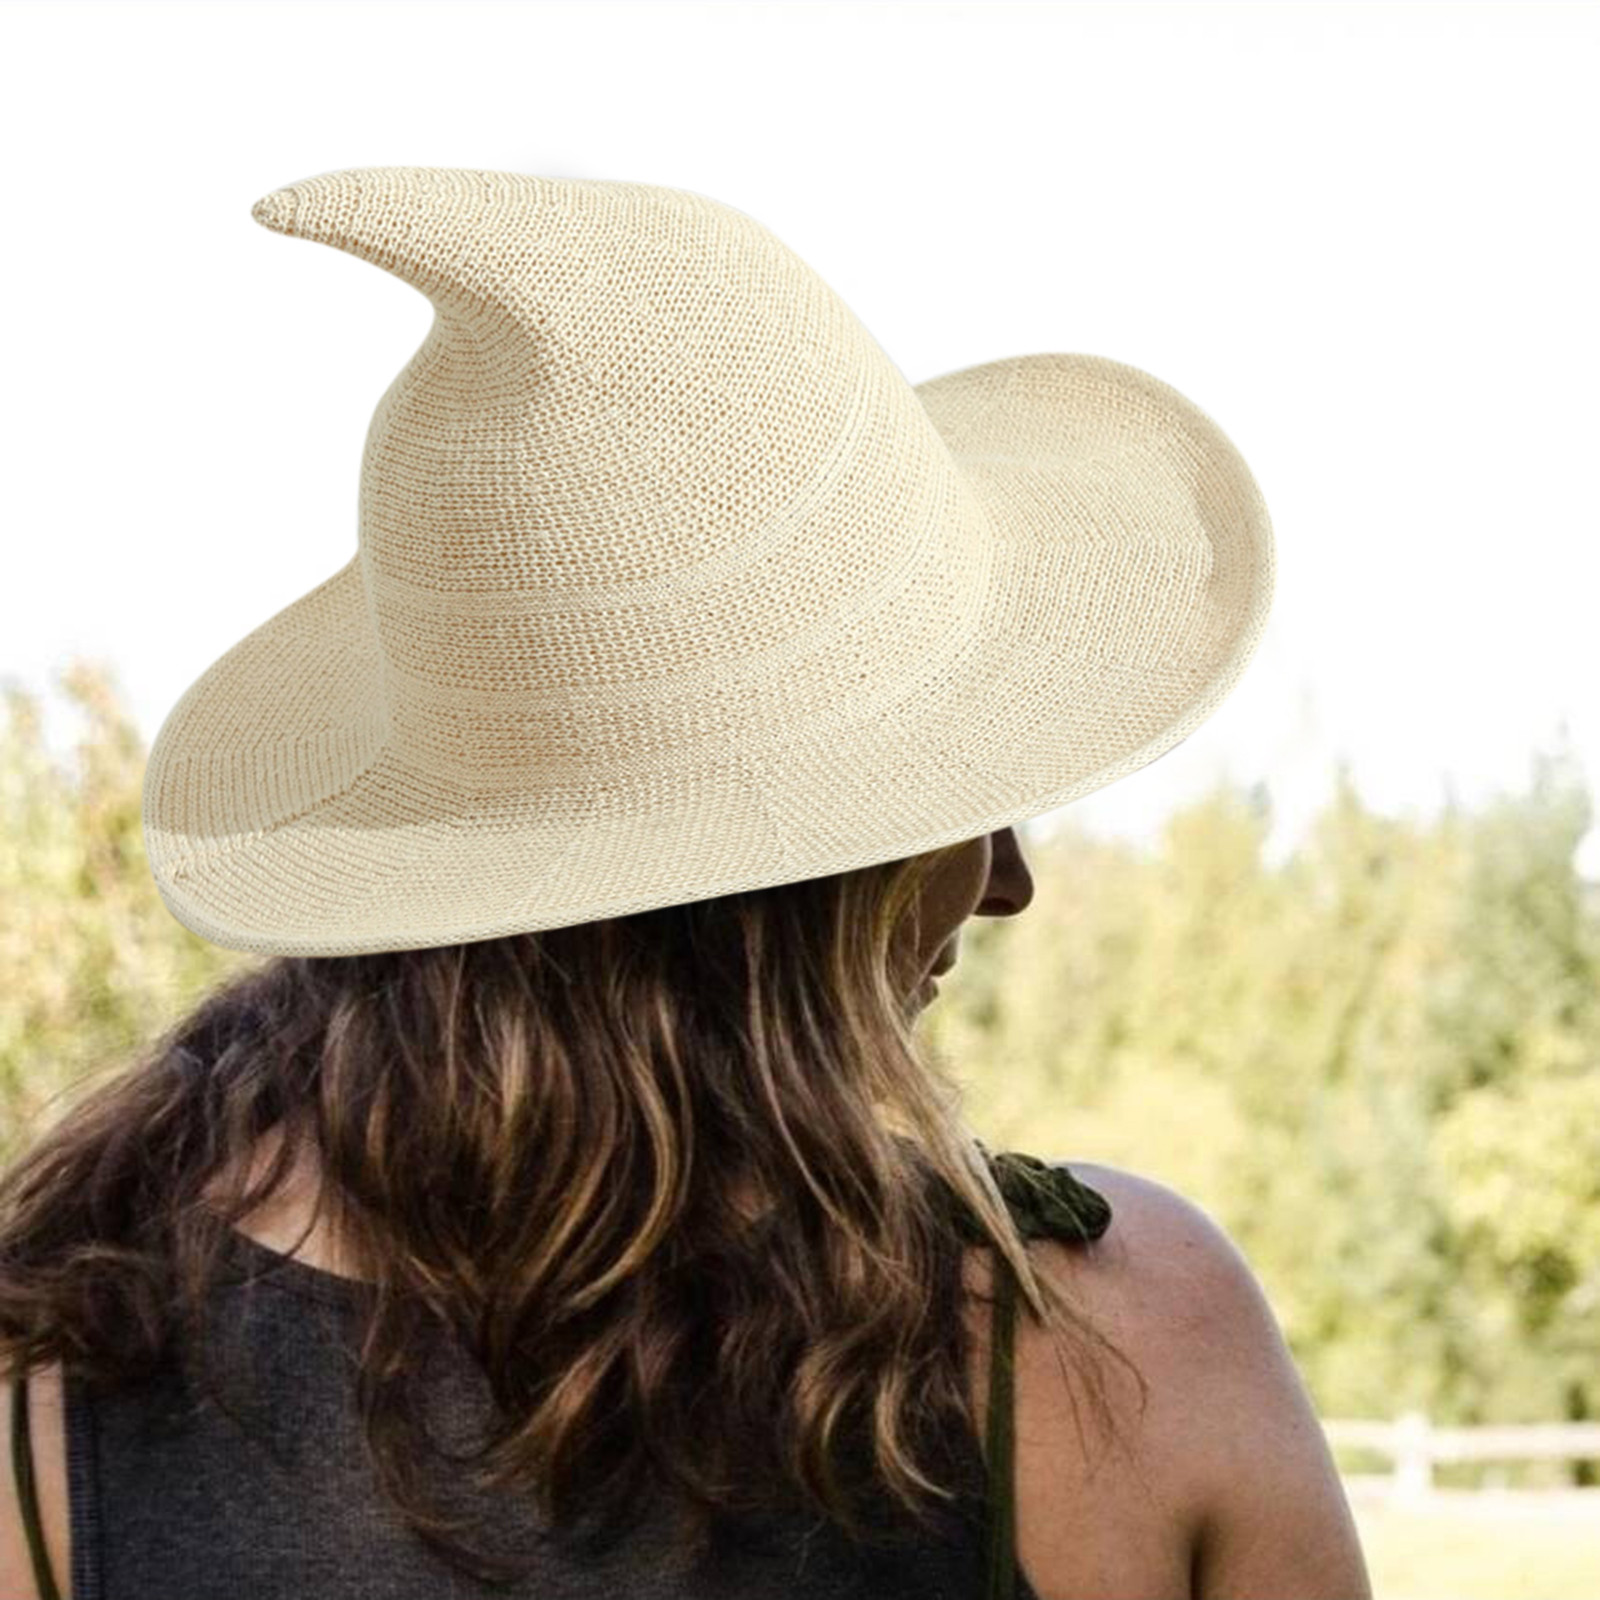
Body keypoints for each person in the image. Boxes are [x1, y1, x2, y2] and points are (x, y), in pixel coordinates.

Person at [0, 167, 1371, 1599]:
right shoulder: (1117, 1347)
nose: (1006, 881)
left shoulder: (57, 1390)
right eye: (951, 800)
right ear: (784, 895)